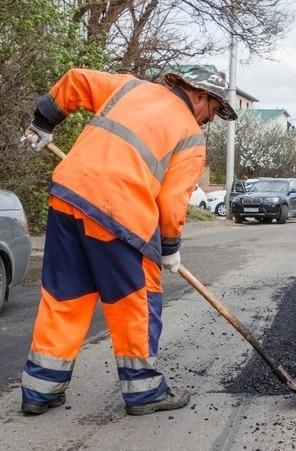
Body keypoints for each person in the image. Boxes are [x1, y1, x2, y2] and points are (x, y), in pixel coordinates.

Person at [18, 65, 237, 416]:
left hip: (68, 195)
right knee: (136, 299)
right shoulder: (190, 137)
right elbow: (171, 204)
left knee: (65, 296)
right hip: (119, 214)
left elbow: (76, 79)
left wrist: (43, 122)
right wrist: (170, 249)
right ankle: (144, 390)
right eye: (213, 110)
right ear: (199, 96)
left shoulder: (130, 88)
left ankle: (39, 391)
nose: (209, 120)